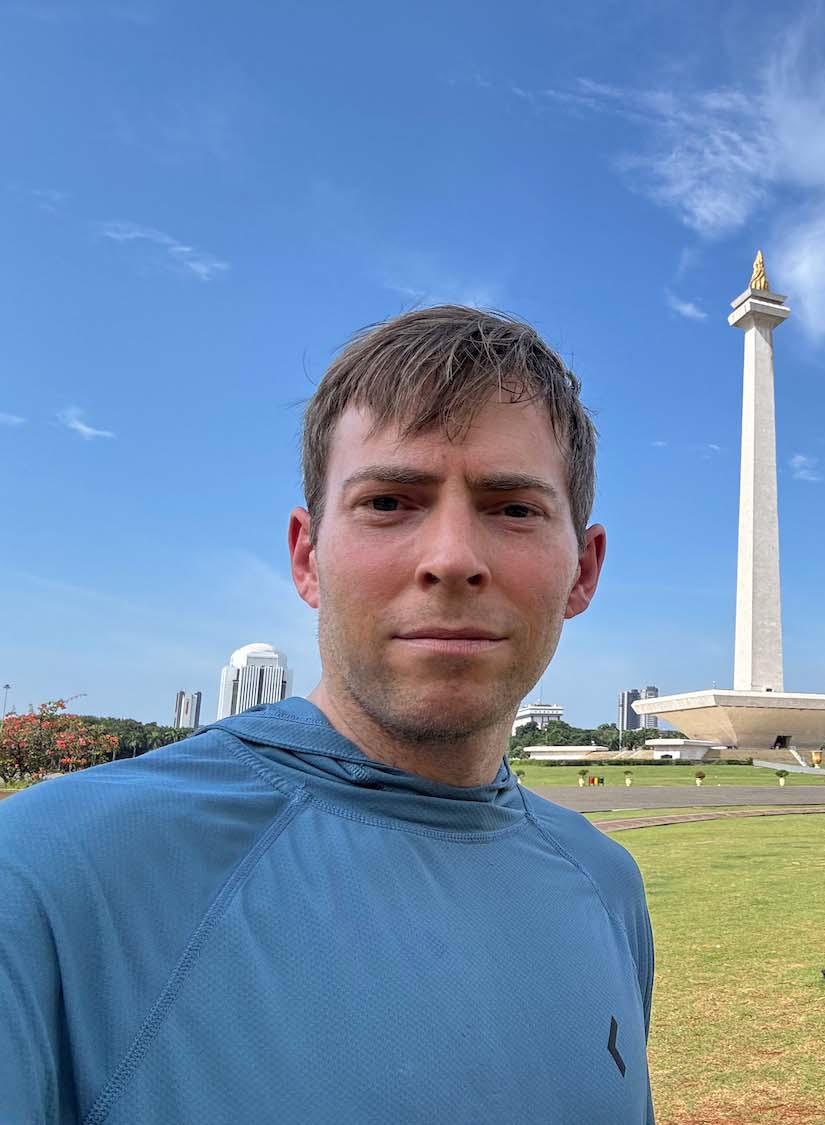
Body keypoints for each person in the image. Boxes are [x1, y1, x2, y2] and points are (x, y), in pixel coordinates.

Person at [0, 307, 654, 1122]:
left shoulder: (606, 885)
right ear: (307, 556)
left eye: (513, 507)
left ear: (583, 571)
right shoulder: (49, 879)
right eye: (389, 501)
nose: (451, 558)